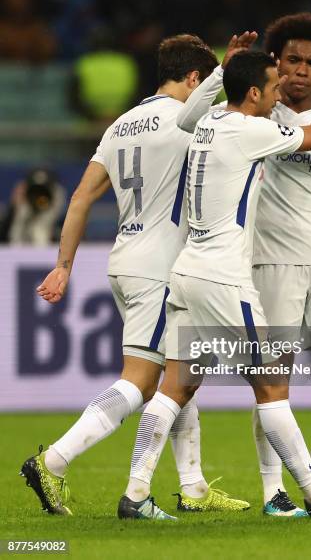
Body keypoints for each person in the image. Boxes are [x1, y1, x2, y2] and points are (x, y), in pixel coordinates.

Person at [122, 48, 311, 519]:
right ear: (255, 92)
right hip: (223, 277)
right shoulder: (246, 129)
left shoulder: (208, 122)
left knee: (174, 389)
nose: (282, 91)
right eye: (274, 86)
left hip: (186, 273)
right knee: (272, 386)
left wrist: (222, 67)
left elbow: (192, 111)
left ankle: (135, 494)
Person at [20, 33, 255, 519]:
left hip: (124, 260)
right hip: (161, 267)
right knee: (141, 381)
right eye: (206, 80)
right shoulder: (193, 122)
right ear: (196, 77)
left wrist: (64, 264)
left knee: (180, 375)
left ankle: (192, 487)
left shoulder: (121, 124)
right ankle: (53, 461)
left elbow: (82, 196)